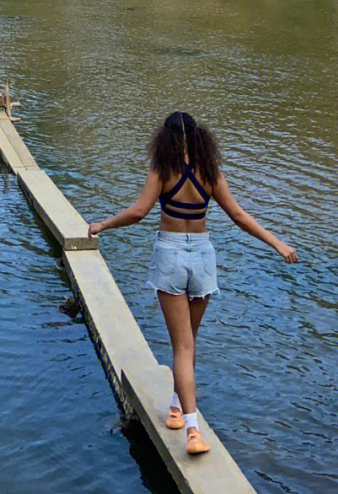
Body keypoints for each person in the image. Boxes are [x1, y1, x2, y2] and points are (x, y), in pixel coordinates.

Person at [87, 110, 297, 457]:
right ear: (199, 138)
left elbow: (139, 211)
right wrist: (278, 243)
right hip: (202, 257)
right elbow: (239, 215)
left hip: (170, 256)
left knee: (182, 347)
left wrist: (101, 225)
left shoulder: (163, 170)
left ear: (165, 139)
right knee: (188, 344)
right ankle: (174, 407)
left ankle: (192, 431)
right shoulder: (210, 172)